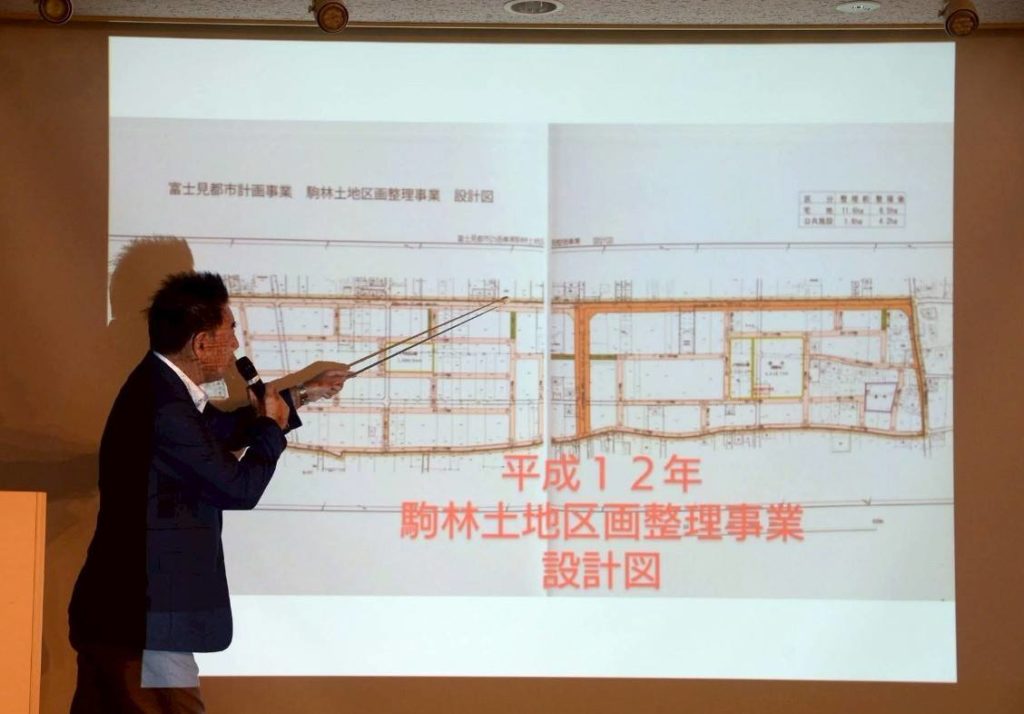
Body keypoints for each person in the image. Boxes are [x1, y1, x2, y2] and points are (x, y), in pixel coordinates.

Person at [68, 271, 348, 713]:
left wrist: (302, 395)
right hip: (145, 619)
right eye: (230, 330)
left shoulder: (161, 389)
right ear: (201, 343)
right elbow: (238, 488)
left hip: (127, 616)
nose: (235, 344)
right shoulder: (165, 407)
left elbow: (219, 431)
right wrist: (271, 430)